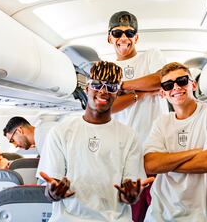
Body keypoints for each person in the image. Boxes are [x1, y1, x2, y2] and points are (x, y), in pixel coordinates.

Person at [39, 61, 154, 222]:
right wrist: (52, 192)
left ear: (117, 93)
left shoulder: (129, 136)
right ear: (87, 88)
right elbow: (50, 190)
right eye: (97, 85)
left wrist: (132, 197)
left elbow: (129, 193)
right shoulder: (60, 132)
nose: (103, 91)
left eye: (111, 87)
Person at [143, 62, 207, 221]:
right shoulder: (161, 122)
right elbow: (150, 165)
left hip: (202, 213)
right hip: (160, 213)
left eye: (181, 81)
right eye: (168, 85)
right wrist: (195, 152)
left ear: (193, 84)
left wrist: (166, 163)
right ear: (163, 94)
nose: (175, 87)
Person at [108, 10, 169, 221]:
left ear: (137, 37)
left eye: (129, 32)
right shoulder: (108, 68)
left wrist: (122, 86)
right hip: (124, 156)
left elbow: (160, 80)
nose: (123, 38)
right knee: (132, 214)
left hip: (156, 151)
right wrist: (141, 94)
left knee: (159, 212)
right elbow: (109, 106)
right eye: (117, 33)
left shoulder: (151, 55)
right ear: (109, 38)